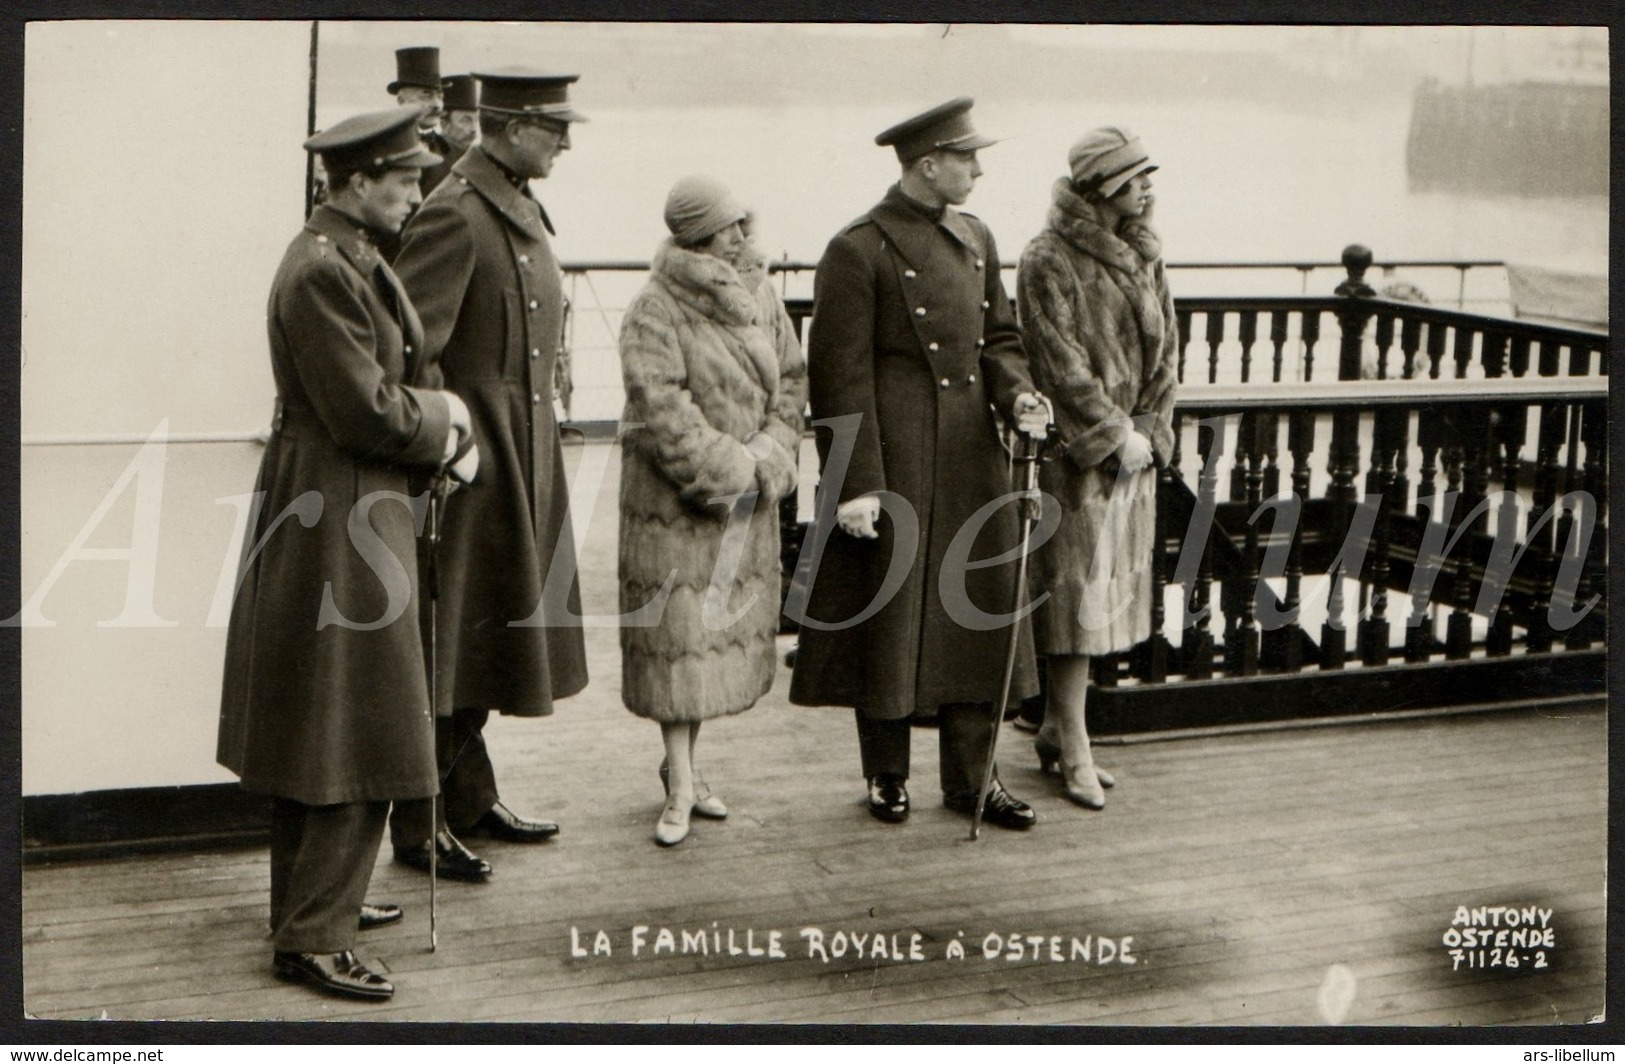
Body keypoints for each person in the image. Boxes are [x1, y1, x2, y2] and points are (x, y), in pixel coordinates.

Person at [216, 106, 478, 1001]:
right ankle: (312, 937)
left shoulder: (347, 257)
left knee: (329, 718)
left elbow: (397, 375)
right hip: (342, 510)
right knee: (353, 721)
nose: (418, 193)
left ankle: (315, 907)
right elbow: (365, 408)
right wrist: (448, 422)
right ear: (360, 180)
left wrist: (437, 424)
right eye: (406, 180)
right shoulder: (325, 270)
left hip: (353, 503)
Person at [788, 98, 1051, 831]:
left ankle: (973, 780)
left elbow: (998, 340)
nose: (978, 168)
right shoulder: (858, 248)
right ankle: (886, 775)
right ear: (926, 163)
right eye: (966, 157)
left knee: (978, 609)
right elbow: (838, 379)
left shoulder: (975, 235)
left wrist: (1020, 395)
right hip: (893, 456)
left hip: (971, 455)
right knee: (891, 613)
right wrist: (854, 484)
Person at [387, 67, 590, 880]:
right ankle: (421, 822)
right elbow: (413, 349)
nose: (567, 141)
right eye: (556, 128)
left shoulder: (512, 199)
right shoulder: (454, 212)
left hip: (526, 451)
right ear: (511, 127)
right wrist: (449, 447)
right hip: (479, 460)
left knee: (497, 636)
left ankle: (468, 796)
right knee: (461, 642)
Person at [617, 175, 806, 847]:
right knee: (677, 646)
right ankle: (680, 783)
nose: (740, 236)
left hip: (745, 492)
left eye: (741, 224)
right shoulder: (654, 307)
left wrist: (769, 453)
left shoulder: (760, 295)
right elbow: (662, 409)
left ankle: (687, 772)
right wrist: (733, 468)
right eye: (727, 227)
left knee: (703, 645)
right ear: (697, 234)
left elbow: (791, 380)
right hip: (677, 504)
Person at [1014, 126, 1178, 810]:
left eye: (1147, 175)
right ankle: (1075, 747)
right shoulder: (1045, 258)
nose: (1147, 187)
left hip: (1130, 458)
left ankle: (1056, 727)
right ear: (1103, 185)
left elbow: (1167, 348)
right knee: (1075, 605)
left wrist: (1147, 428)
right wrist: (1111, 434)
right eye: (1135, 176)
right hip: (1075, 462)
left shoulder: (1145, 253)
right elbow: (1057, 363)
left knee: (1099, 600)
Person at [421, 73, 478, 195]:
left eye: (476, 120)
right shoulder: (430, 158)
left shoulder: (478, 159)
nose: (474, 129)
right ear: (444, 124)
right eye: (466, 120)